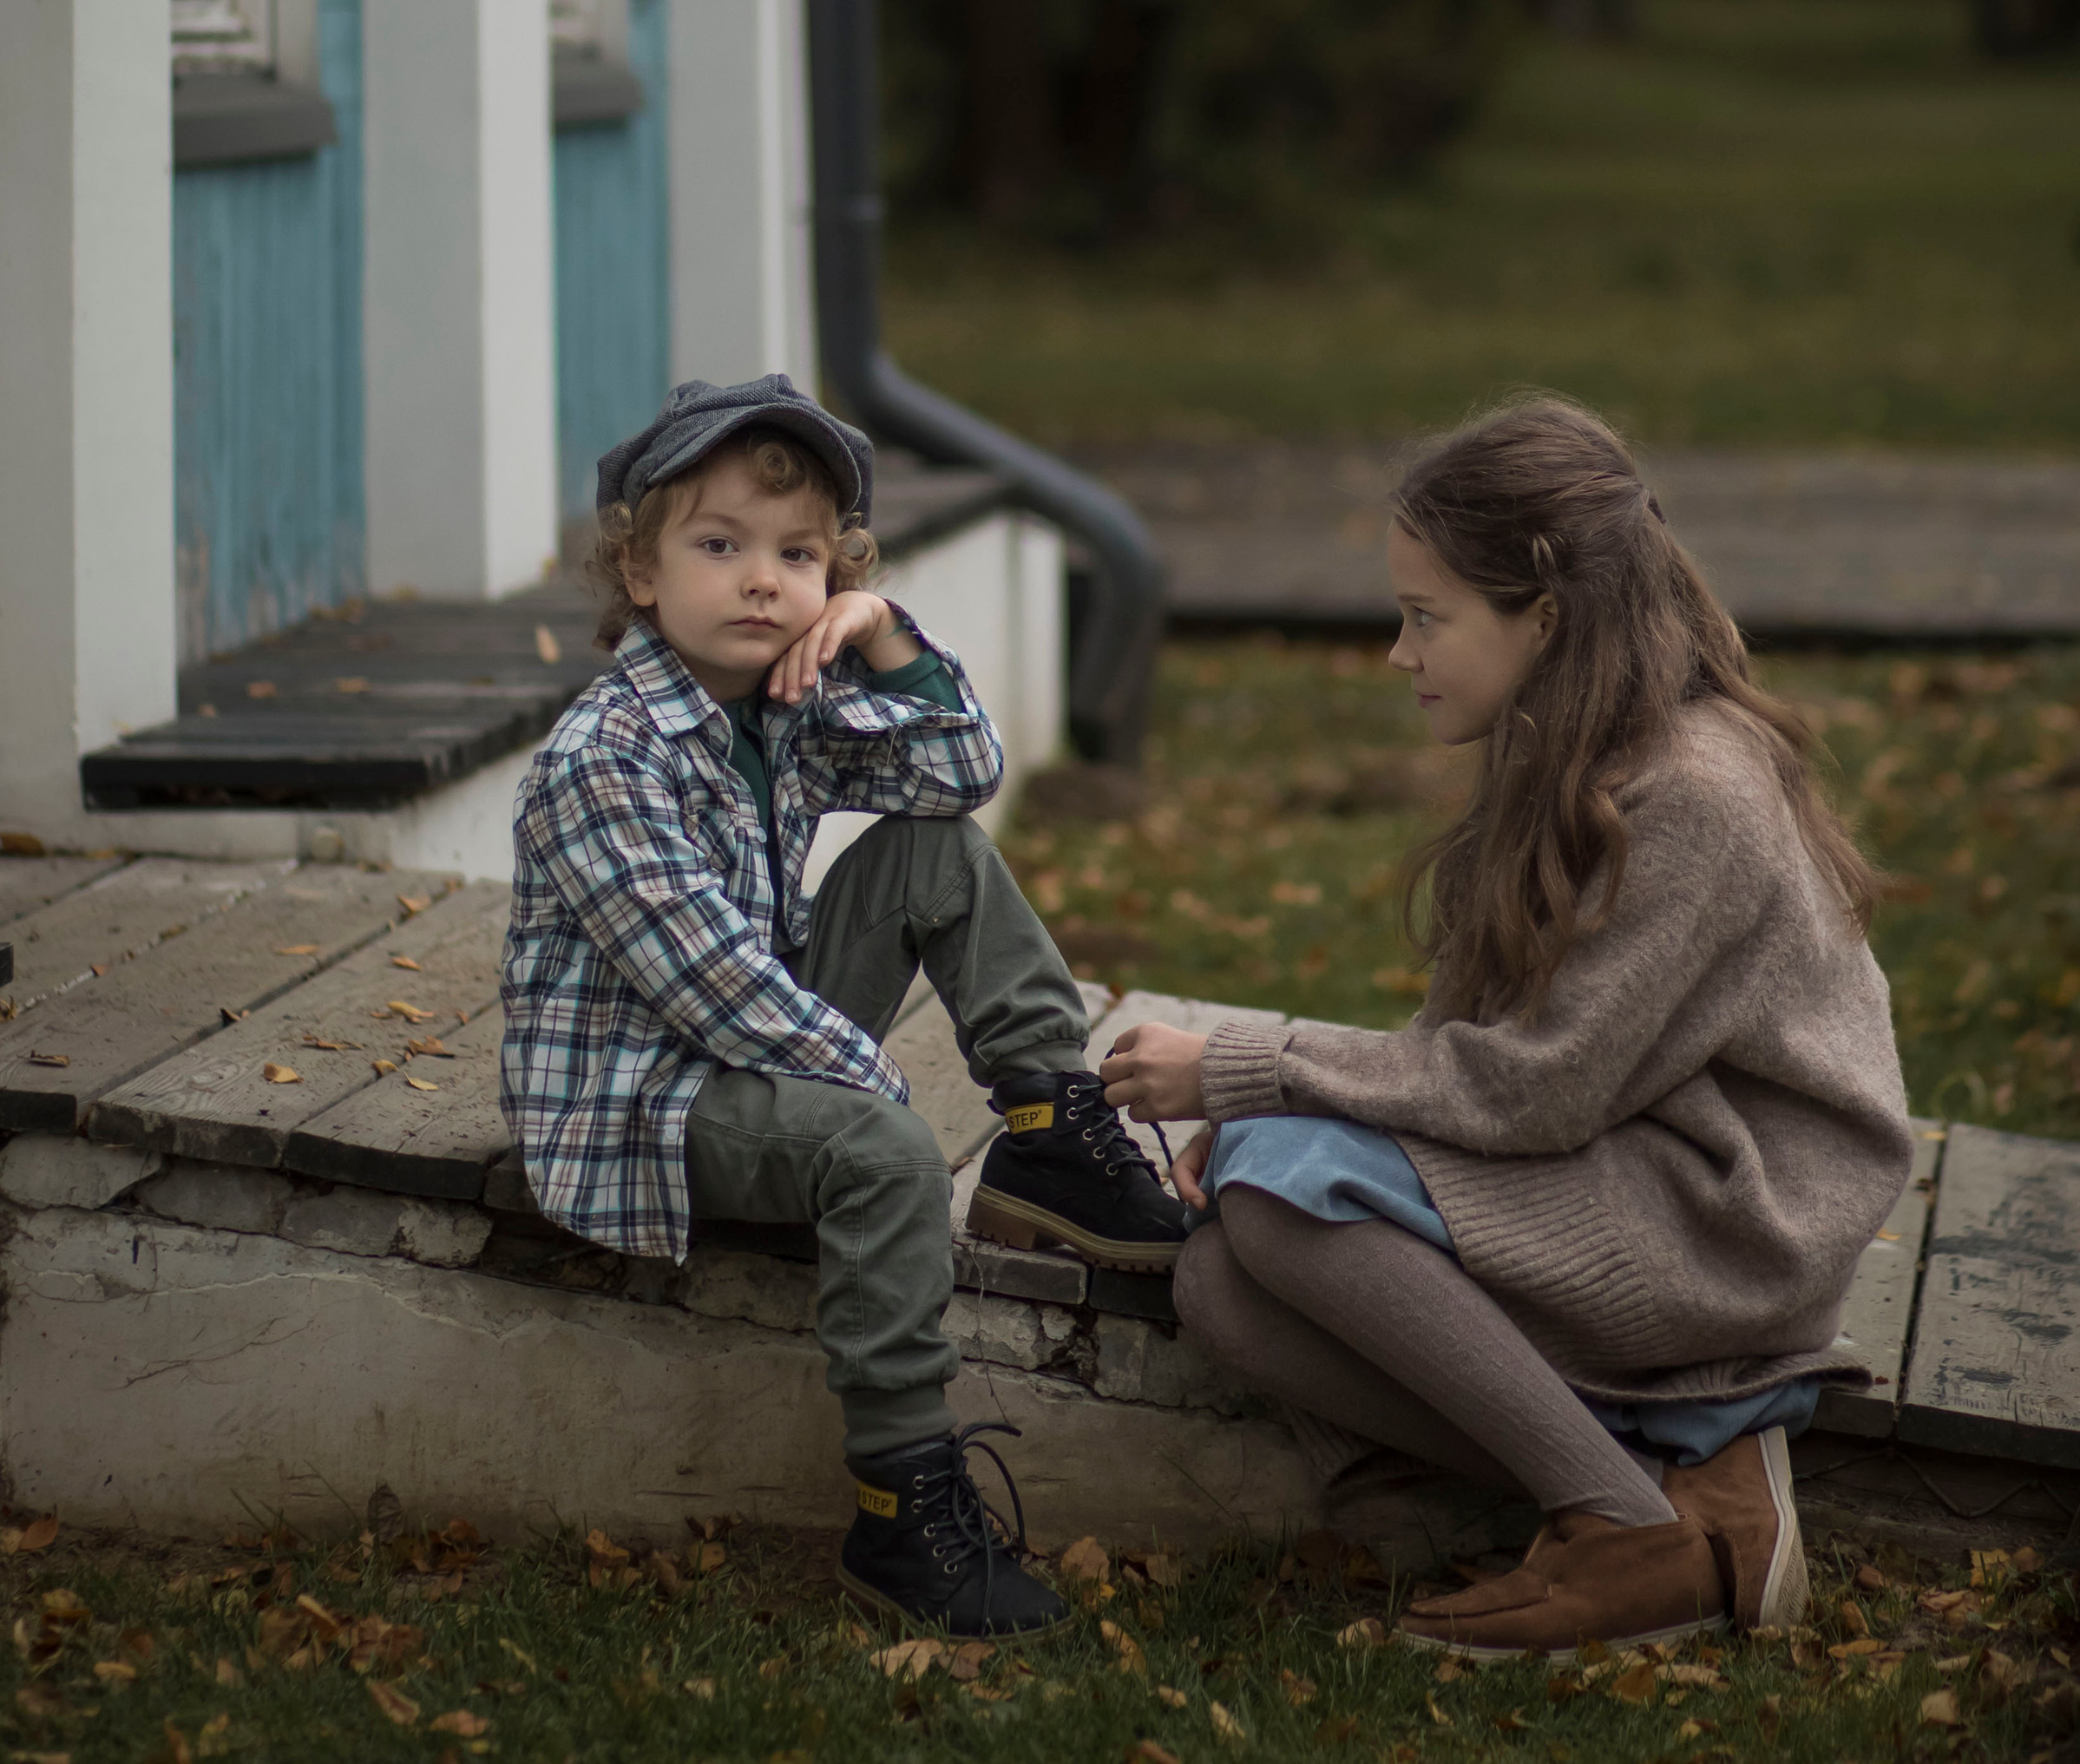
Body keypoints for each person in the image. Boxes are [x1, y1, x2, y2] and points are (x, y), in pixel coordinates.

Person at [1104, 396, 1913, 1658]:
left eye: (1428, 618)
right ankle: (1669, 1475)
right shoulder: (1573, 745)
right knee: (1220, 1282)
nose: (1397, 651)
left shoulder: (1693, 792)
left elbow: (1533, 1090)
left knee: (1275, 1194)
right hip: (1632, 1156)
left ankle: (1625, 1531)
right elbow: (1477, 1025)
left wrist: (1250, 1078)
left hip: (1733, 1213)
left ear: (1543, 616)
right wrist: (1305, 1108)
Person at [502, 373, 1185, 1638]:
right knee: (879, 1146)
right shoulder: (604, 757)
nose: (764, 580)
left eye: (800, 555)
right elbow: (712, 986)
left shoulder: (788, 702)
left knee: (939, 852)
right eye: (720, 546)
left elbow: (962, 770)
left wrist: (882, 631)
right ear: (640, 572)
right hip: (640, 1100)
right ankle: (900, 1513)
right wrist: (876, 1100)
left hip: (738, 1040)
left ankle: (1048, 1135)